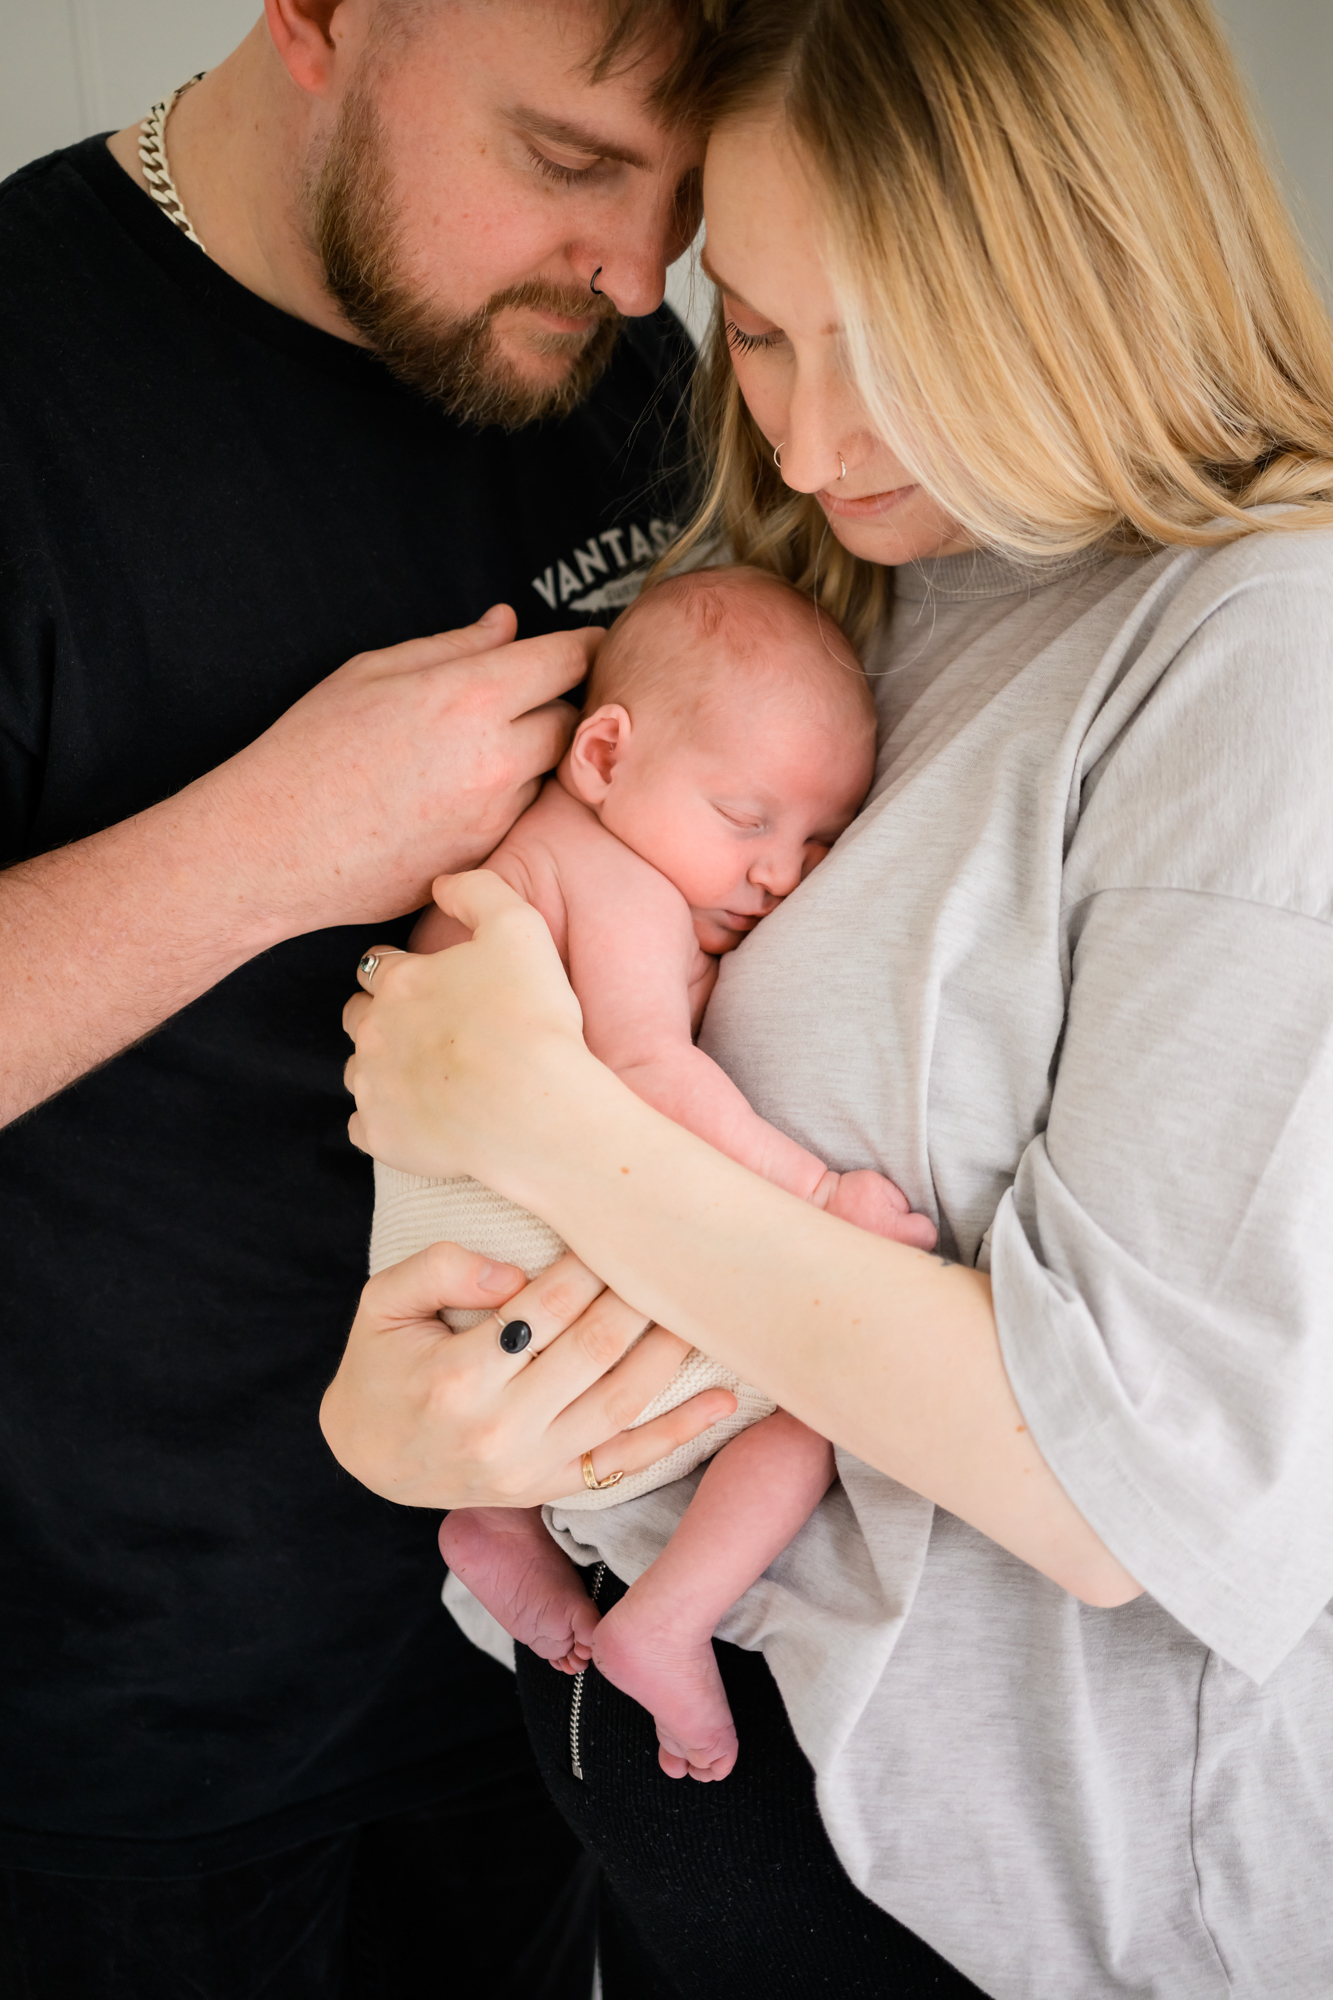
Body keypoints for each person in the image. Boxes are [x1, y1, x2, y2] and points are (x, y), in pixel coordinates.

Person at [329, 0, 1333, 1995]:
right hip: (672, 1778)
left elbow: (1119, 1483)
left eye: (881, 349)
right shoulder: (844, 576)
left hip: (999, 1909)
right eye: (764, 330)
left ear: (1094, 277)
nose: (800, 436)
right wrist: (405, 1427)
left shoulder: (1259, 655)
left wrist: (539, 1119)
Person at [0, 0, 717, 1992]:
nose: (638, 272)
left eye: (681, 195)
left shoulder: (620, 364)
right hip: (139, 1739)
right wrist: (271, 841)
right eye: (569, 162)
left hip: (541, 1665)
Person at [374, 564, 935, 1784]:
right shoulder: (612, 878)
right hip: (504, 1230)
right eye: (746, 818)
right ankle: (669, 1614)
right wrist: (819, 1197)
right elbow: (644, 1070)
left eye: (817, 839)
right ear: (605, 755)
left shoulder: (536, 854)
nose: (781, 871)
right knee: (826, 1400)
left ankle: (496, 1515)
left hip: (444, 1255)